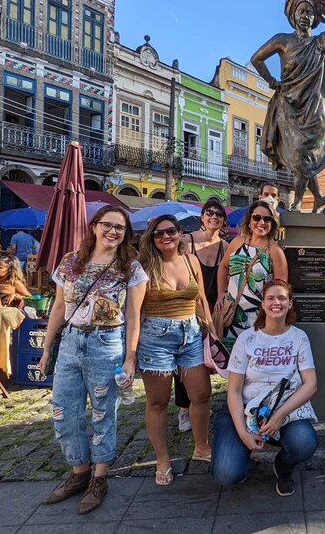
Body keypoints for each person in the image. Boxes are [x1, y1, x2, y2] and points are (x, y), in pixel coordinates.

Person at [37, 205, 146, 515]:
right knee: (63, 411)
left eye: (120, 228)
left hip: (107, 342)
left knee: (102, 414)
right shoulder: (71, 262)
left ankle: (99, 478)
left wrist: (130, 358)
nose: (113, 231)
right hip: (71, 341)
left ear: (126, 234)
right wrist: (47, 350)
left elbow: (134, 315)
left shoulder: (131, 268)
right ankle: (78, 472)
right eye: (107, 225)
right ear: (95, 226)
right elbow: (58, 307)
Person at [250, 0, 325, 212]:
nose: (305, 16)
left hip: (316, 108)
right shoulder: (282, 40)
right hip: (289, 104)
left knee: (301, 156)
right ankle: (317, 196)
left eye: (309, 12)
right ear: (293, 14)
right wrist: (271, 81)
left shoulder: (322, 43)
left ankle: (298, 202)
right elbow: (256, 58)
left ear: (315, 16)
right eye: (301, 11)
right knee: (301, 159)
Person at [211, 279, 319, 497]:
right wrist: (242, 432)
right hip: (245, 408)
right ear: (262, 303)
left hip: (283, 409)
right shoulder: (246, 338)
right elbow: (233, 390)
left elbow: (311, 384)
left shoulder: (299, 337)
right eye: (270, 298)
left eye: (282, 298)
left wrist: (279, 416)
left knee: (305, 443)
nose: (276, 303)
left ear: (290, 304)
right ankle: (239, 457)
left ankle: (283, 467)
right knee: (226, 474)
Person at [137, 215, 215, 485]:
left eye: (171, 231)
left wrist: (211, 327)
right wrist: (129, 350)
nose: (165, 237)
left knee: (202, 394)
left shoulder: (191, 260)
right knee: (158, 402)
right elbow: (134, 309)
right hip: (155, 337)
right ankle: (162, 459)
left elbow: (201, 298)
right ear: (151, 238)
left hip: (191, 332)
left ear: (181, 233)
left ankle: (202, 445)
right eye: (158, 234)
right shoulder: (145, 265)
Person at [182, 196, 229, 433]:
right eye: (209, 212)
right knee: (186, 360)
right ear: (202, 217)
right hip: (188, 307)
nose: (213, 216)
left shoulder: (225, 246)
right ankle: (184, 408)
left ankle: (200, 402)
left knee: (207, 358)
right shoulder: (186, 242)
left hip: (215, 308)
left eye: (218, 214)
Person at [217, 200, 287, 351]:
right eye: (257, 217)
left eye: (267, 219)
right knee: (231, 362)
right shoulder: (237, 242)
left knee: (254, 364)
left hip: (257, 318)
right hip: (231, 314)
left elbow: (281, 289)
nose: (261, 222)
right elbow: (223, 267)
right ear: (249, 220)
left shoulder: (275, 251)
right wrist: (220, 293)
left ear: (272, 224)